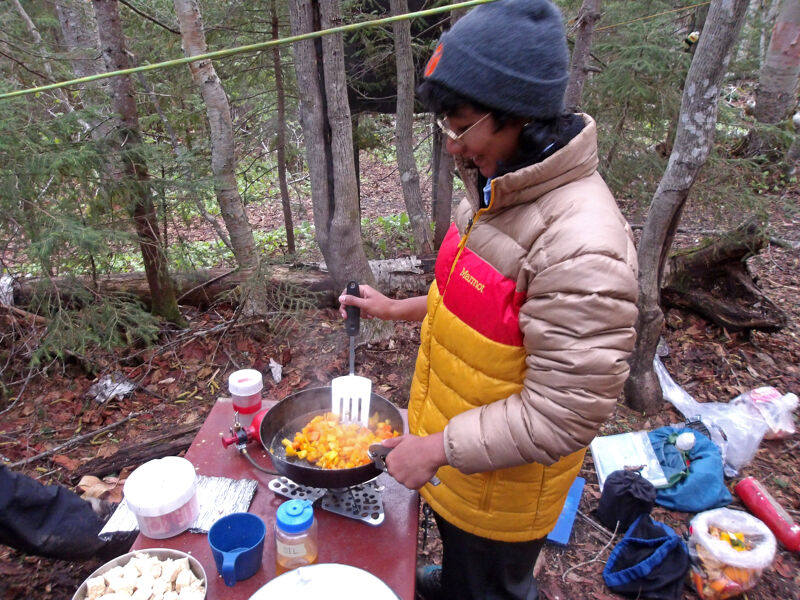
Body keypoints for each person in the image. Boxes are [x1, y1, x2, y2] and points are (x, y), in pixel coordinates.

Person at [339, 1, 639, 598]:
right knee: (463, 570)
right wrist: (392, 309)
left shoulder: (581, 245)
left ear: (518, 113)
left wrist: (435, 449)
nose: (452, 147)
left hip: (504, 493)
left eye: (460, 127)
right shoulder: (496, 189)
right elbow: (475, 307)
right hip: (461, 470)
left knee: (492, 584)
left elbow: (564, 413)